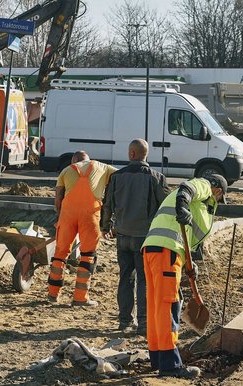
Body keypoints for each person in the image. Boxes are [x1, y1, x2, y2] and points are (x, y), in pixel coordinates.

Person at [141, 173, 228, 379]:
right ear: (217, 189)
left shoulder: (197, 204)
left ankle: (158, 357)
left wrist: (190, 265)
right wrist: (182, 205)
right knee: (168, 305)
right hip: (167, 251)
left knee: (156, 305)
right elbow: (187, 188)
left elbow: (186, 235)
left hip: (154, 248)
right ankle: (170, 365)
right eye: (219, 195)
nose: (217, 199)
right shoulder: (204, 186)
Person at [102, 139, 169, 335]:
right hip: (145, 238)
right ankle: (143, 323)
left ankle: (124, 321)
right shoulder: (156, 178)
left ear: (131, 154)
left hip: (122, 235)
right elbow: (165, 207)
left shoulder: (117, 177)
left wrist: (106, 227)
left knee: (125, 278)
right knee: (144, 280)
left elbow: (107, 204)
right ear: (145, 154)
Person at [47, 150, 116, 306]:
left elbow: (58, 199)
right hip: (90, 216)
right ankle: (80, 297)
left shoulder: (66, 170)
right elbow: (121, 176)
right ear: (88, 159)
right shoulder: (102, 167)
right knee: (87, 255)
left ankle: (52, 294)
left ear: (74, 160)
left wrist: (61, 217)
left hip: (68, 215)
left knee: (60, 253)